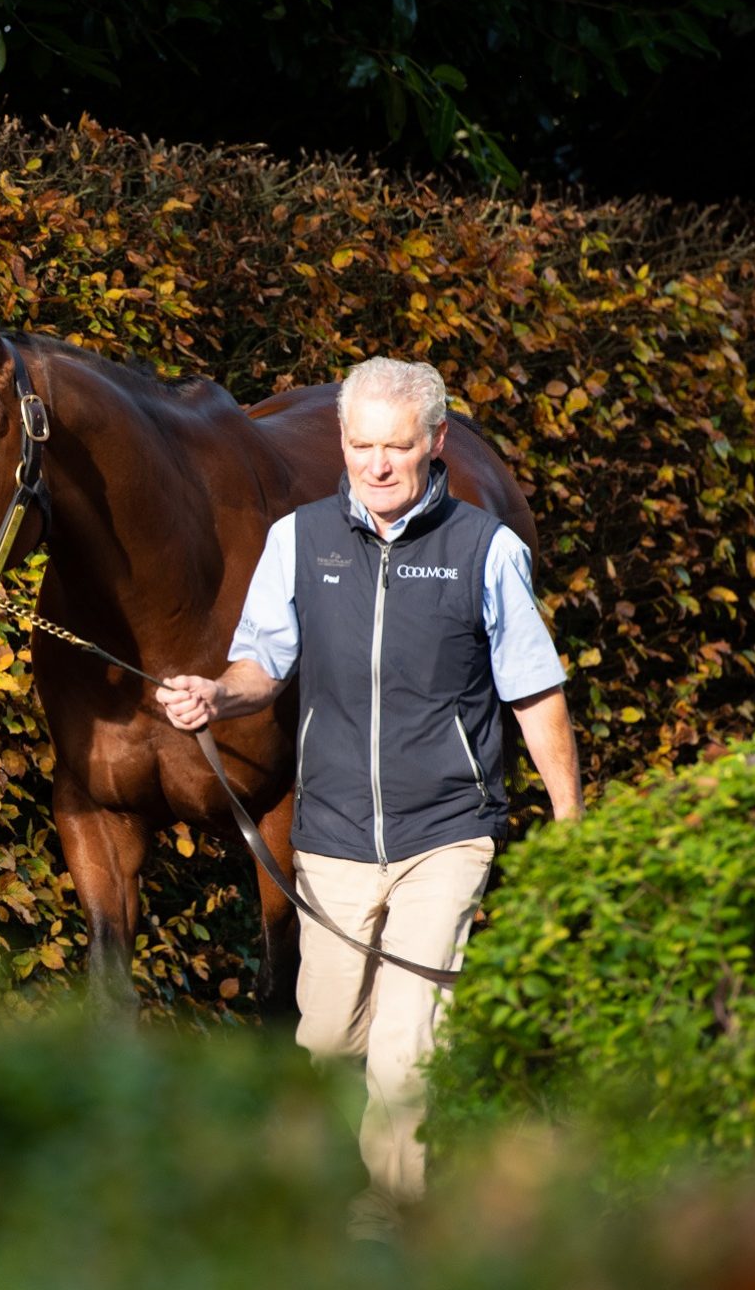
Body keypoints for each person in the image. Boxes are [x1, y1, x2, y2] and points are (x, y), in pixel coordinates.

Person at [155, 356, 582, 1235]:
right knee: (328, 1040)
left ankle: (388, 1218)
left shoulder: (483, 550)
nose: (376, 464)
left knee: (401, 1050)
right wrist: (215, 694)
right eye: (360, 445)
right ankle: (334, 1181)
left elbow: (536, 691)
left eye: (396, 446)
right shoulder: (297, 541)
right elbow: (260, 664)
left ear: (433, 444)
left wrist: (571, 820)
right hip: (334, 833)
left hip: (447, 834)